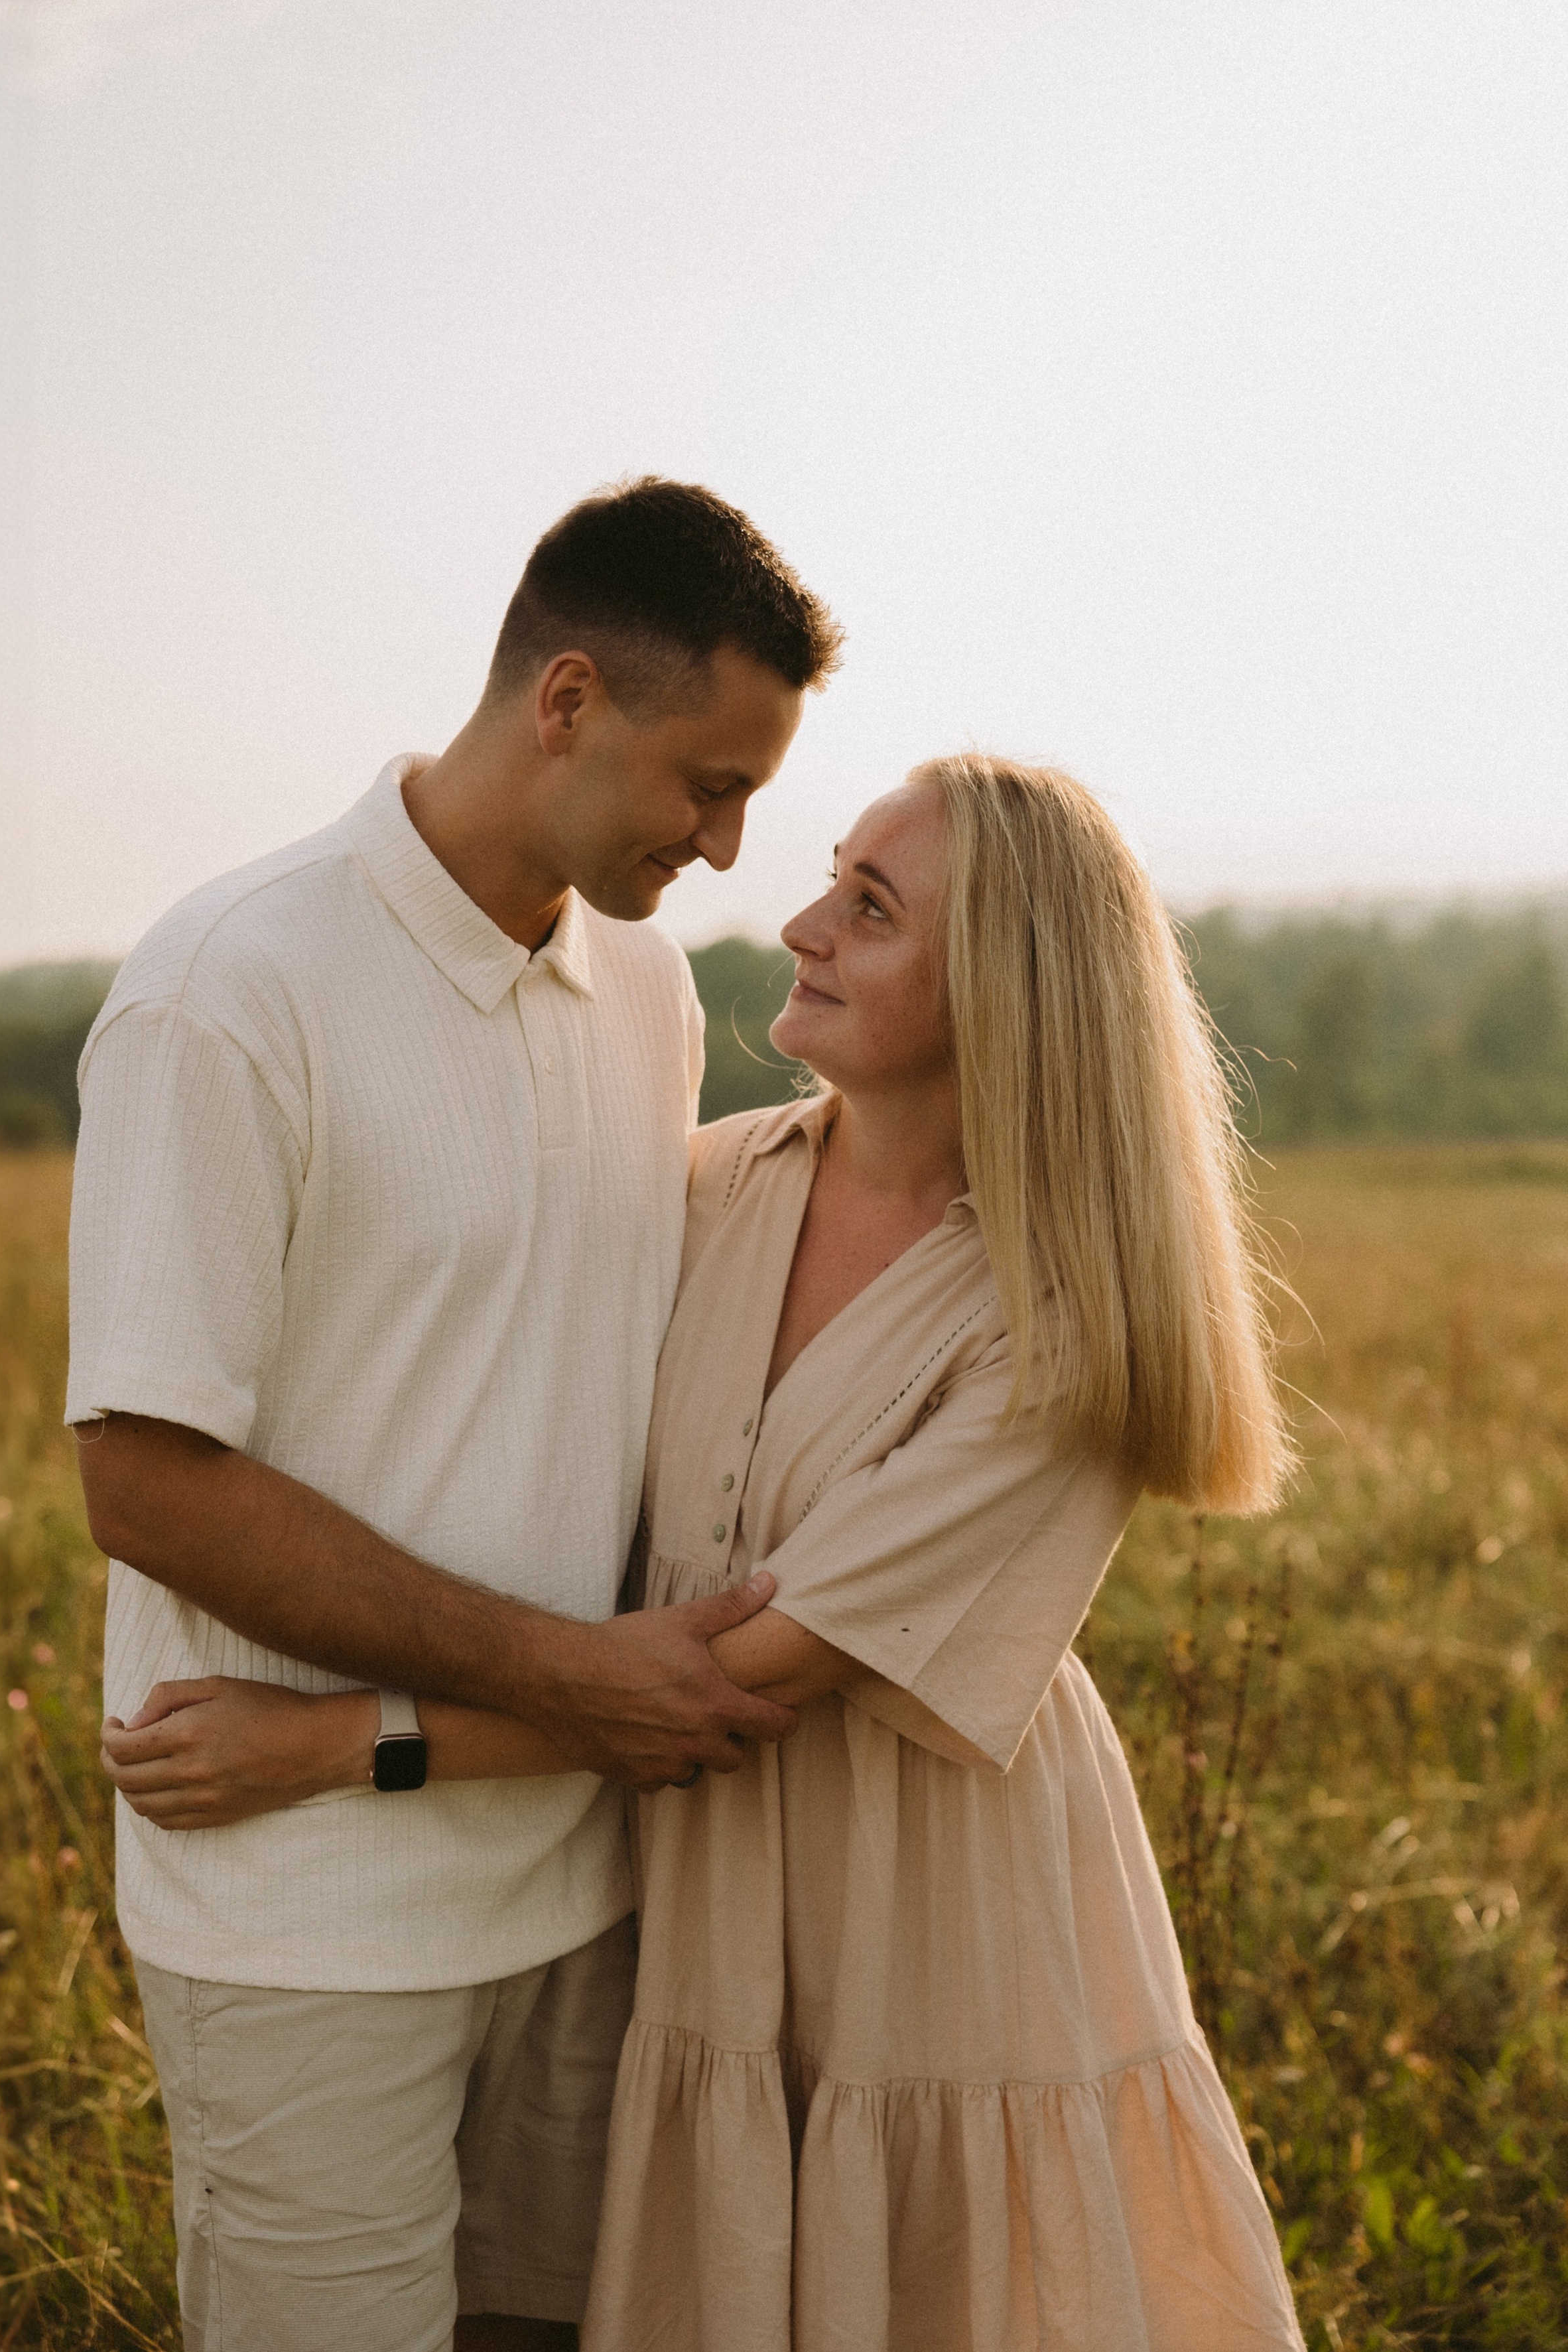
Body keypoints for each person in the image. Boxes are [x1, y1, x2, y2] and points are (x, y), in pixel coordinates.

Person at [107, 757, 1307, 2350]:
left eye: (868, 910)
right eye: (833, 879)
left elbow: (731, 1685)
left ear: (1003, 989)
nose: (800, 924)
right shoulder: (707, 1182)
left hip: (926, 1901)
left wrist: (341, 1744)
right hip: (680, 1891)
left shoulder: (1062, 1325)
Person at [69, 477, 842, 2352]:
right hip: (305, 1912)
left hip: (587, 1887)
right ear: (566, 698)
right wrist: (573, 1679)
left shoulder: (645, 987)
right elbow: (148, 1483)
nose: (727, 847)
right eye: (707, 785)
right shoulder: (229, 988)